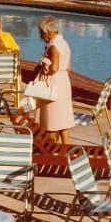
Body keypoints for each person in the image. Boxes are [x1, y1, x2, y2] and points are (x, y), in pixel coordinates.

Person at [30, 16, 75, 145]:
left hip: (53, 84)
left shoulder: (53, 46)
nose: (41, 36)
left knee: (52, 118)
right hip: (64, 82)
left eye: (41, 33)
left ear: (48, 32)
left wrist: (44, 69)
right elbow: (68, 67)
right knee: (62, 117)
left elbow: (54, 68)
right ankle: (66, 145)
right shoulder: (64, 43)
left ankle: (50, 147)